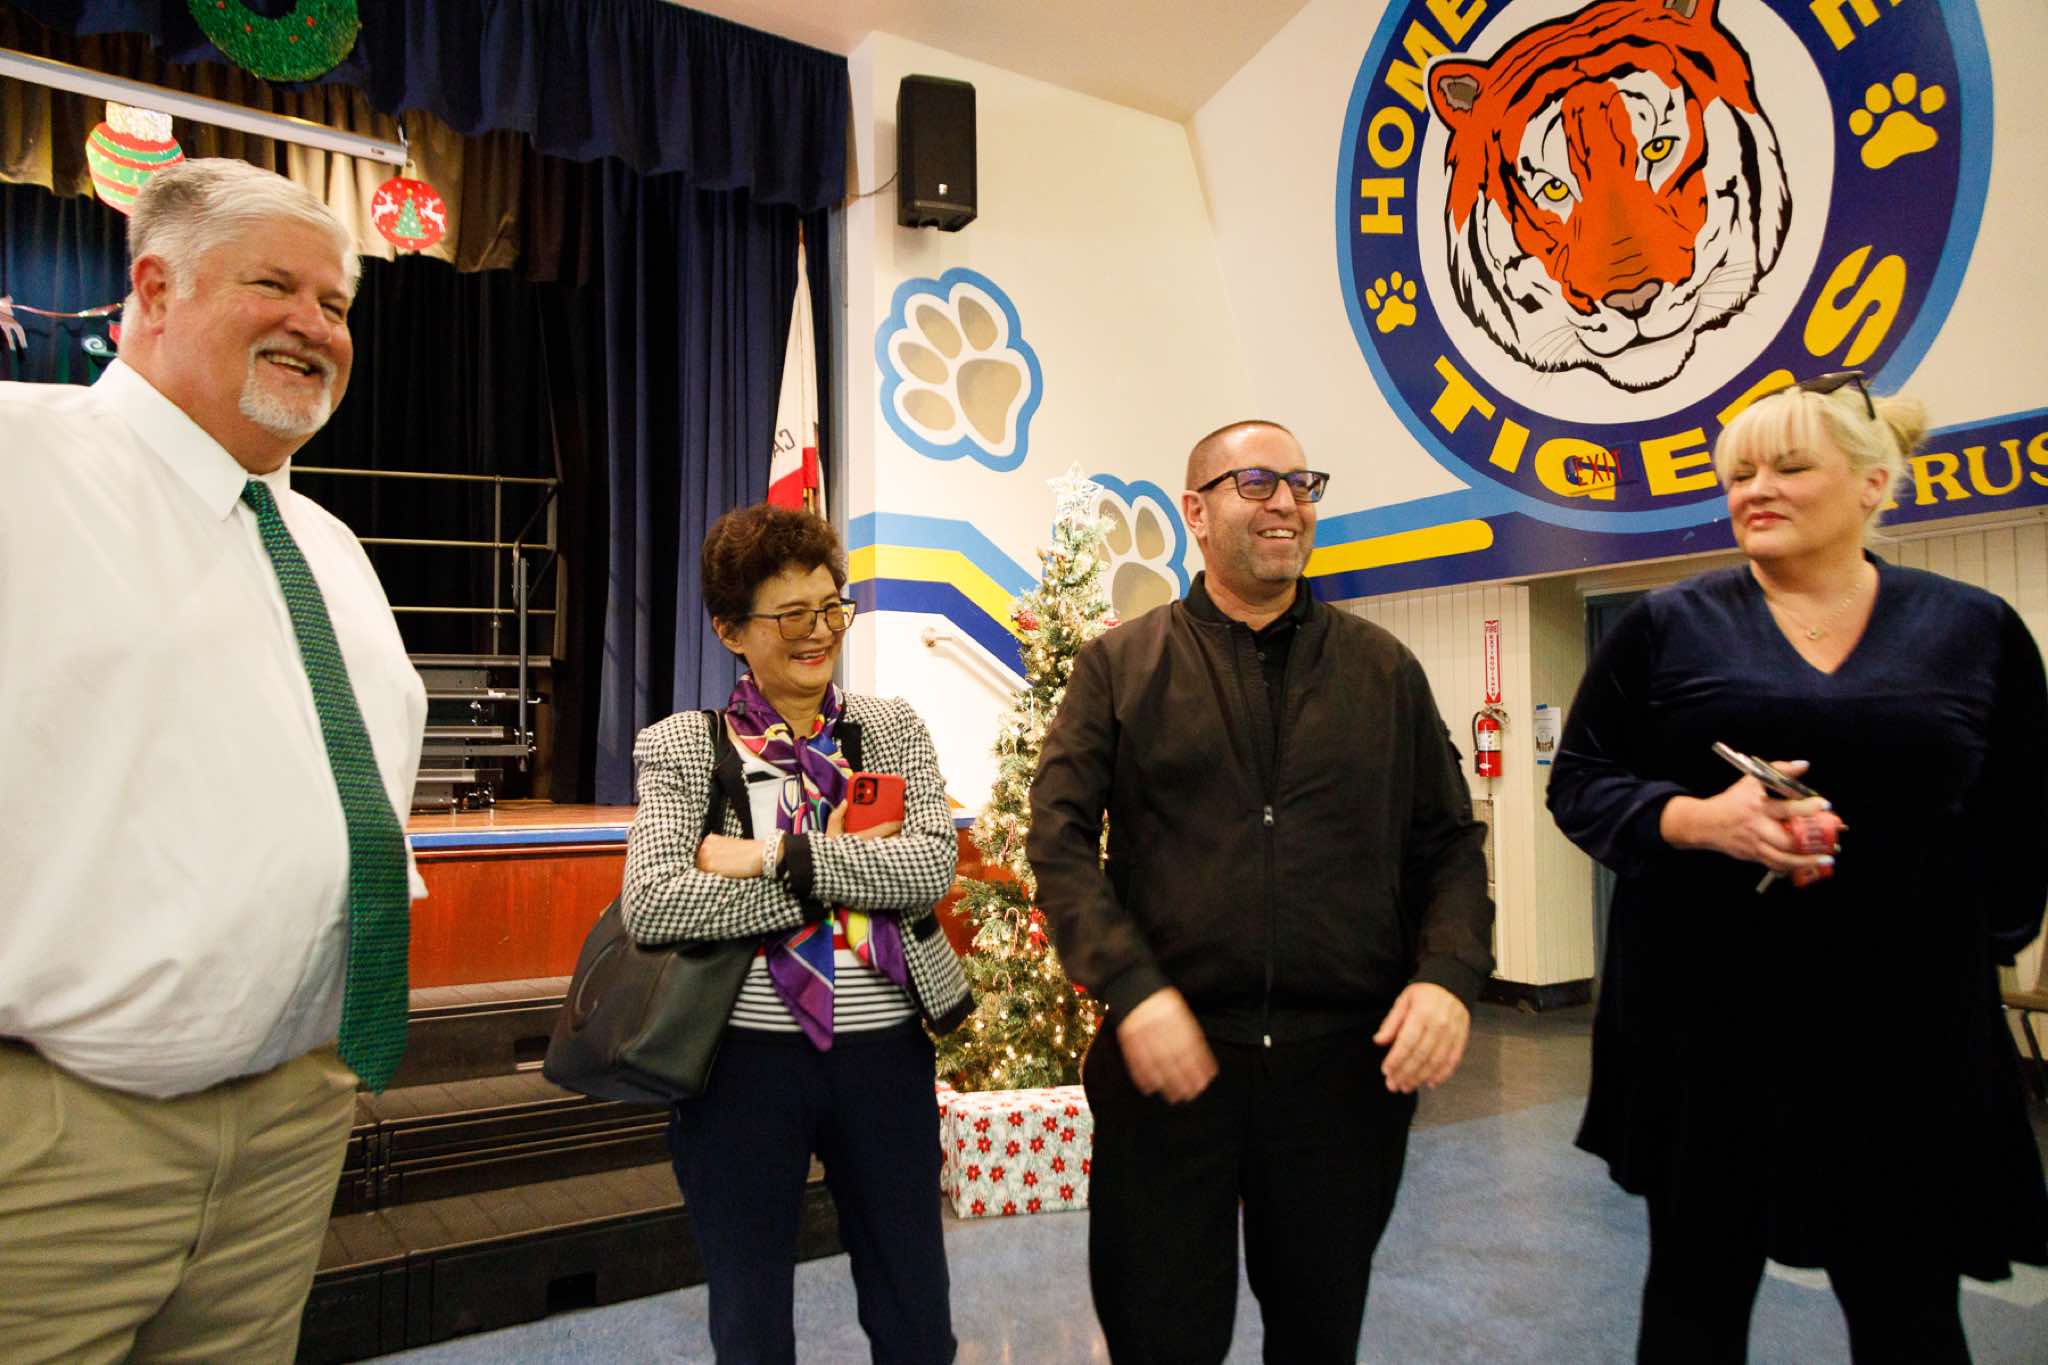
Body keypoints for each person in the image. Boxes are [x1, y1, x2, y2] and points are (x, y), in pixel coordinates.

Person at [0, 159, 425, 1360]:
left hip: (291, 1122)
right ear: (155, 289)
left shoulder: (330, 545)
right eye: (274, 287)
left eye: (334, 304)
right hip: (57, 1134)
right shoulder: (17, 459)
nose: (314, 325)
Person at [1548, 371, 2048, 1363]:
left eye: (1786, 467)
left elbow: (2020, 807)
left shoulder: (1972, 627)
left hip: (1903, 1031)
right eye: (1738, 474)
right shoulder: (1666, 626)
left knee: (1907, 1305)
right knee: (1695, 1297)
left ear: (1872, 484)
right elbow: (1582, 781)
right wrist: (1699, 819)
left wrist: (1981, 940)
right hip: (1706, 1023)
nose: (1754, 490)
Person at [1028, 420, 1496, 1363]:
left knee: (1320, 1336)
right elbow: (1059, 839)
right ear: (1195, 512)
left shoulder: (1384, 671)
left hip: (1341, 1077)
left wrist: (1448, 973)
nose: (1286, 501)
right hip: (1170, 1067)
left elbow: (1447, 842)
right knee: (1161, 1337)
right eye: (1256, 483)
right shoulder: (1121, 668)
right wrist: (1132, 988)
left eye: (1300, 483)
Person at [621, 502, 971, 1364]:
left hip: (885, 1059)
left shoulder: (888, 728)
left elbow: (929, 867)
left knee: (917, 1318)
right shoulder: (686, 747)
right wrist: (844, 870)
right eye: (791, 616)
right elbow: (656, 902)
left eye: (831, 608)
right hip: (743, 1066)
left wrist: (774, 856)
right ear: (729, 629)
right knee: (751, 1326)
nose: (819, 633)